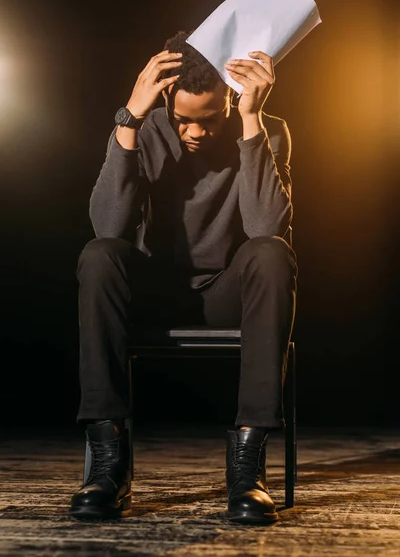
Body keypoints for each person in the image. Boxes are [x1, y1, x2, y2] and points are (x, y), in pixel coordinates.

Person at [69, 30, 297, 524]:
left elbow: (264, 228)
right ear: (168, 96)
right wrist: (129, 117)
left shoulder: (266, 130)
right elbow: (109, 227)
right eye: (183, 120)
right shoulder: (145, 129)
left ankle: (247, 467)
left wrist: (250, 122)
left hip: (225, 294)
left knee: (272, 254)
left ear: (231, 99)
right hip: (157, 290)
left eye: (208, 120)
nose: (193, 133)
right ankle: (108, 463)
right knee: (98, 255)